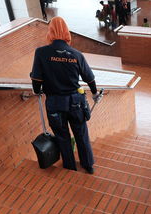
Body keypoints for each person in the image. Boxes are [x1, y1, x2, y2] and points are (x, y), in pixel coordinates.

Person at [30, 17, 102, 174]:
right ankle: (88, 165)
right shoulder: (76, 54)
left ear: (50, 32)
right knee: (81, 133)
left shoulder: (41, 53)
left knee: (62, 137)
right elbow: (90, 78)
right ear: (66, 32)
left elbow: (36, 79)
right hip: (76, 102)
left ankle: (70, 167)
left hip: (55, 103)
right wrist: (95, 93)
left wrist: (37, 91)